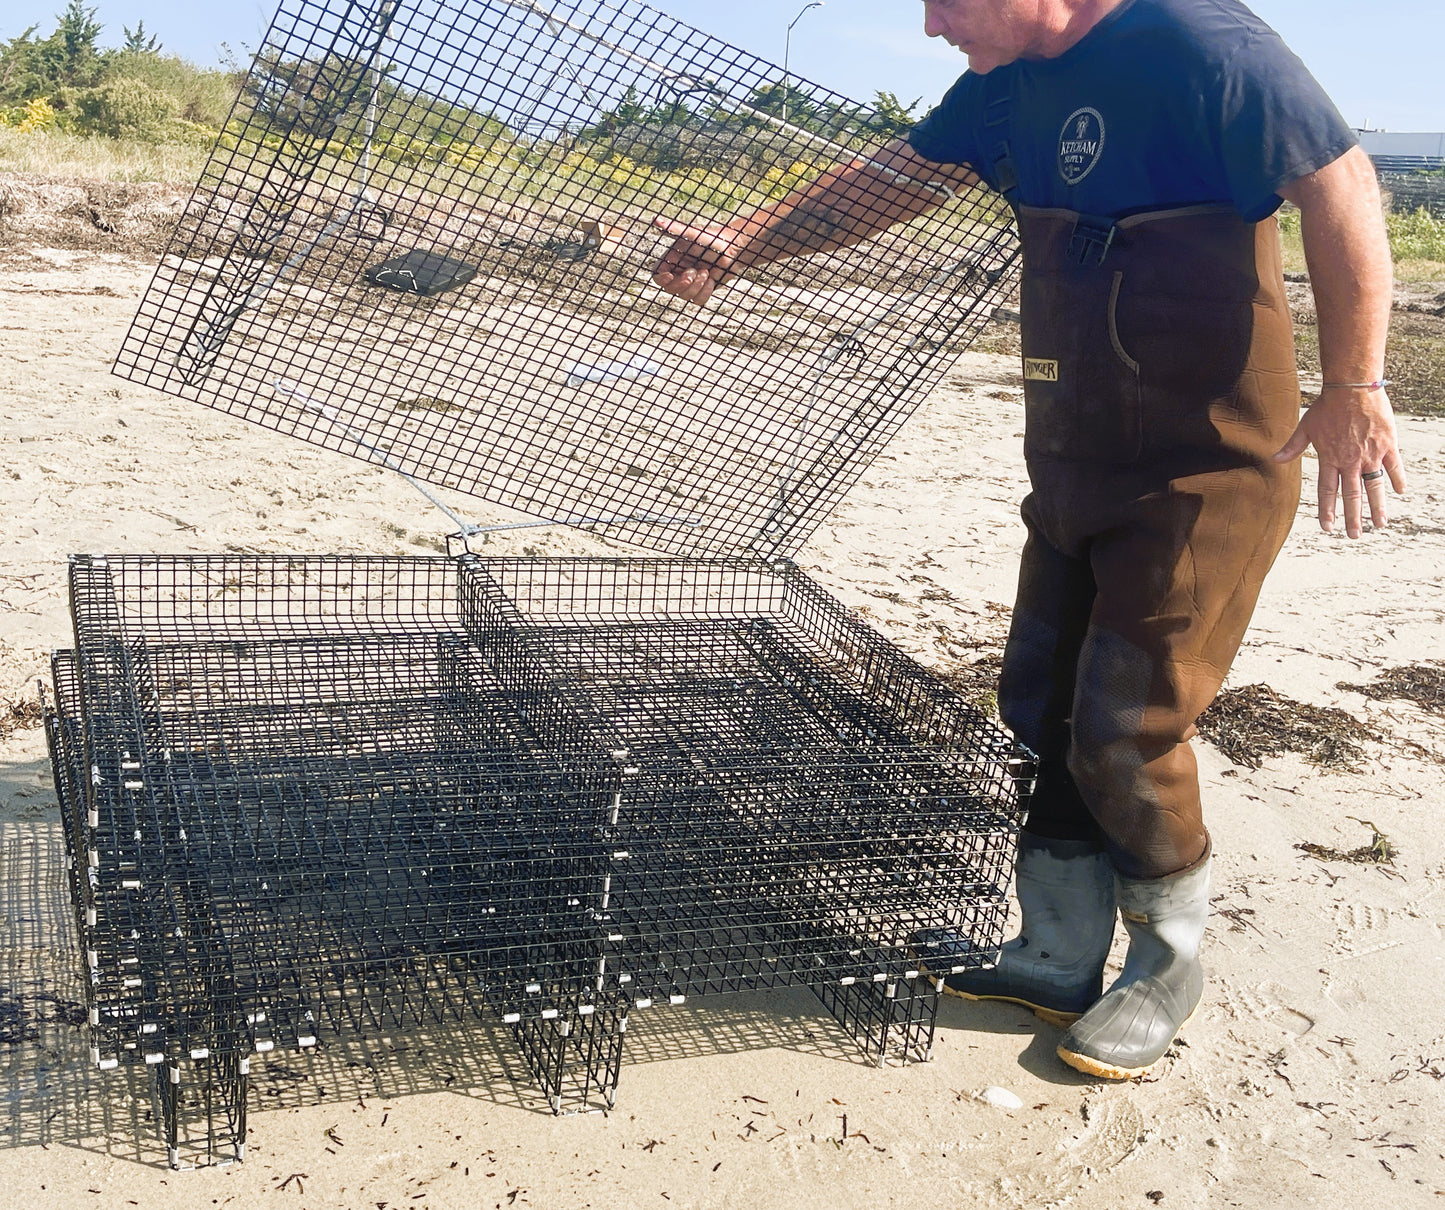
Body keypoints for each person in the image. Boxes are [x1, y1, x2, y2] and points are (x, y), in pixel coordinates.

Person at [651, 0, 1403, 1080]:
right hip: (1074, 455)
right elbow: (898, 177)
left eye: (944, 1)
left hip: (1204, 467)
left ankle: (1163, 963)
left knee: (1125, 723)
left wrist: (1355, 384)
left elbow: (1338, 183)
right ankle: (1051, 953)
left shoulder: (1199, 44)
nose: (927, 26)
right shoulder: (1007, 81)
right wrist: (742, 240)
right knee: (1041, 705)